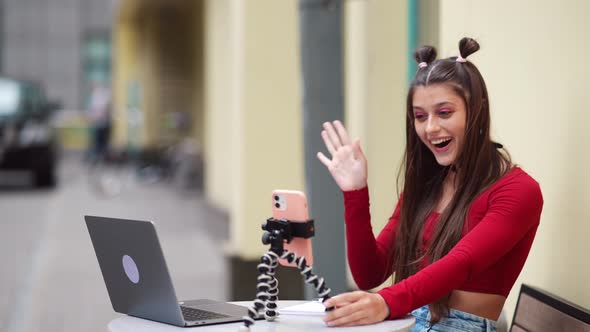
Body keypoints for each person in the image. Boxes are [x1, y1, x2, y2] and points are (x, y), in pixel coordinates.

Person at [316, 37, 543, 331]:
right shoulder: (426, 186)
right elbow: (370, 273)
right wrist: (355, 192)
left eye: (444, 112)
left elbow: (461, 263)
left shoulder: (517, 190)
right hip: (409, 320)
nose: (430, 128)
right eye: (420, 116)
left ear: (476, 110)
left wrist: (385, 302)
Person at [87, 82, 112, 162]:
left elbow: (99, 111)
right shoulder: (100, 96)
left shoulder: (98, 97)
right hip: (101, 124)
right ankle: (100, 158)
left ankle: (99, 158)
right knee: (100, 144)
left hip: (101, 124)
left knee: (99, 144)